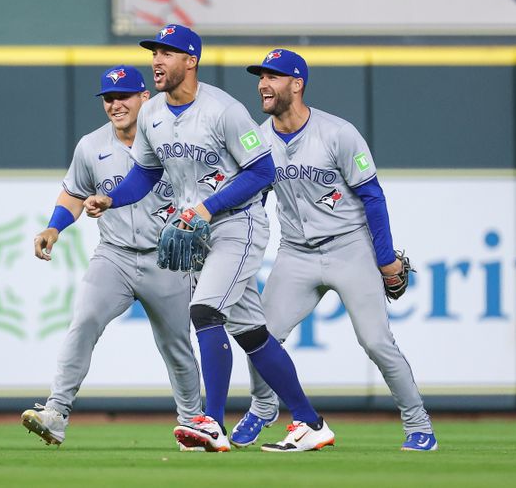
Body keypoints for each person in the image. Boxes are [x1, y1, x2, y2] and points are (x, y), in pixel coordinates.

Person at [84, 25, 334, 453]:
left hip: (237, 224)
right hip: (197, 232)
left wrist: (205, 207)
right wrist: (111, 197)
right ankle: (311, 423)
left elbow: (262, 172)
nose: (157, 61)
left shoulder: (224, 110)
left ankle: (212, 423)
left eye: (167, 52)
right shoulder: (153, 113)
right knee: (253, 333)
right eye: (154, 53)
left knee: (203, 311)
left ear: (191, 60)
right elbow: (146, 173)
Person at [234, 49, 438, 451]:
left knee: (376, 342)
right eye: (260, 77)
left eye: (273, 76)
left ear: (297, 84)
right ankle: (262, 408)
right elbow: (254, 200)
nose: (263, 84)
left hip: (350, 248)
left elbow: (372, 197)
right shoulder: (259, 140)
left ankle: (419, 426)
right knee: (261, 335)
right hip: (295, 254)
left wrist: (384, 259)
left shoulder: (337, 133)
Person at [21, 65, 205, 451]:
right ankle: (56, 412)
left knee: (176, 344)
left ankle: (193, 423)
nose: (116, 104)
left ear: (145, 98)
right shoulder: (91, 145)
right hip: (115, 255)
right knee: (84, 320)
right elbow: (73, 193)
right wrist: (54, 227)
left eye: (124, 96)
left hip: (167, 256)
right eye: (109, 97)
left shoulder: (172, 142)